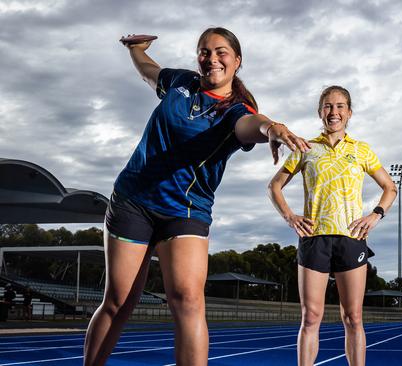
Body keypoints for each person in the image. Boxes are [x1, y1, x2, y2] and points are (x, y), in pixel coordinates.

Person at [83, 27, 310, 366]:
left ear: (237, 60)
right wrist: (135, 49)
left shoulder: (236, 109)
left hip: (186, 210)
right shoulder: (180, 83)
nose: (212, 58)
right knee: (119, 301)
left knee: (188, 299)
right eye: (205, 51)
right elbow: (148, 71)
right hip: (133, 200)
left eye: (221, 52)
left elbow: (252, 125)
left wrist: (273, 129)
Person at [268, 85, 397, 366]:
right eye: (328, 106)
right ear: (320, 112)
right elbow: (274, 186)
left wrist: (375, 214)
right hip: (314, 238)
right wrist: (290, 216)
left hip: (351, 238)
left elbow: (390, 187)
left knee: (353, 317)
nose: (333, 112)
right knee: (310, 317)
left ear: (349, 113)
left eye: (340, 106)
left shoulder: (362, 150)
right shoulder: (305, 148)